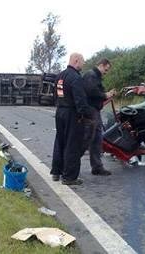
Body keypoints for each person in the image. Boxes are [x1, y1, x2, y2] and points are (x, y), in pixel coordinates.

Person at [51, 53, 94, 185]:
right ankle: (69, 177)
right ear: (76, 61)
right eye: (82, 62)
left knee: (60, 142)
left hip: (60, 112)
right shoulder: (76, 78)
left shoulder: (60, 77)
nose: (83, 64)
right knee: (72, 145)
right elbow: (80, 100)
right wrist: (88, 115)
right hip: (72, 114)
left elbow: (56, 96)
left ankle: (56, 172)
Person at [83, 58, 116, 176]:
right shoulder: (91, 75)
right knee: (86, 140)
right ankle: (69, 165)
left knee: (97, 139)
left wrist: (107, 95)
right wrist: (105, 95)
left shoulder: (95, 77)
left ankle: (97, 167)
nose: (105, 73)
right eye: (106, 70)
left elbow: (95, 91)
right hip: (91, 111)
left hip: (95, 111)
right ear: (102, 65)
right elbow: (91, 91)